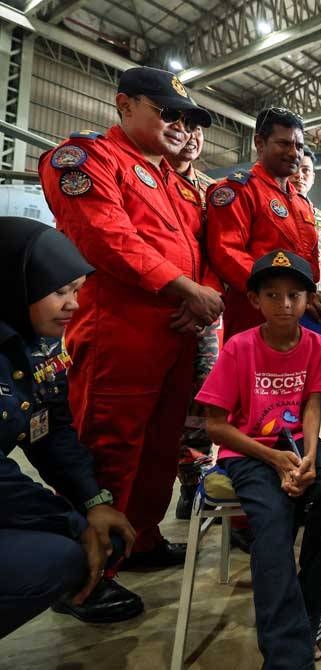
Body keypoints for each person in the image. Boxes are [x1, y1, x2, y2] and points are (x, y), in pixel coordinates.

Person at [38, 66, 224, 568]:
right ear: (125, 105)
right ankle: (86, 574)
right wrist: (184, 288)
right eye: (168, 113)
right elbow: (103, 235)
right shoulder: (87, 159)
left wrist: (201, 295)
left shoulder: (177, 184)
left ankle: (140, 541)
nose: (181, 127)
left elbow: (201, 251)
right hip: (119, 333)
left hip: (176, 336)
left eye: (187, 119)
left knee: (160, 449)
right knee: (109, 448)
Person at [197, 250, 321, 665]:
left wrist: (307, 458)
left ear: (308, 299)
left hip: (295, 444)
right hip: (247, 450)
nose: (284, 305)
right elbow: (216, 427)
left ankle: (307, 604)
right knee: (271, 521)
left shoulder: (318, 345)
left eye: (294, 296)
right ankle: (288, 655)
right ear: (254, 300)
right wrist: (273, 459)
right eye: (272, 295)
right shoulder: (238, 347)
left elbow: (311, 408)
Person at [0, 218, 143, 634]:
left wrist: (93, 501)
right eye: (60, 291)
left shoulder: (36, 342)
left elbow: (52, 431)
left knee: (104, 537)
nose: (73, 305)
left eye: (77, 291)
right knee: (66, 554)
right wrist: (73, 522)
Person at [206, 108, 321, 343]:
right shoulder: (239, 191)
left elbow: (311, 268)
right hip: (254, 320)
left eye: (298, 146)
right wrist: (282, 294)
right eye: (284, 144)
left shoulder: (302, 204)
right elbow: (226, 252)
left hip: (301, 321)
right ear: (260, 143)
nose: (293, 153)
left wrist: (307, 296)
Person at [166, 124, 220, 520]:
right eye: (185, 129)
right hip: (155, 306)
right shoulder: (147, 176)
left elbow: (219, 252)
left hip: (204, 315)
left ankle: (192, 479)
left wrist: (205, 297)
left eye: (199, 131)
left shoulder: (213, 192)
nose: (192, 137)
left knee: (200, 399)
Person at [292, 145, 321, 265]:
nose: (299, 175)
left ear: (313, 178)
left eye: (305, 170)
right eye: (294, 168)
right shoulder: (272, 210)